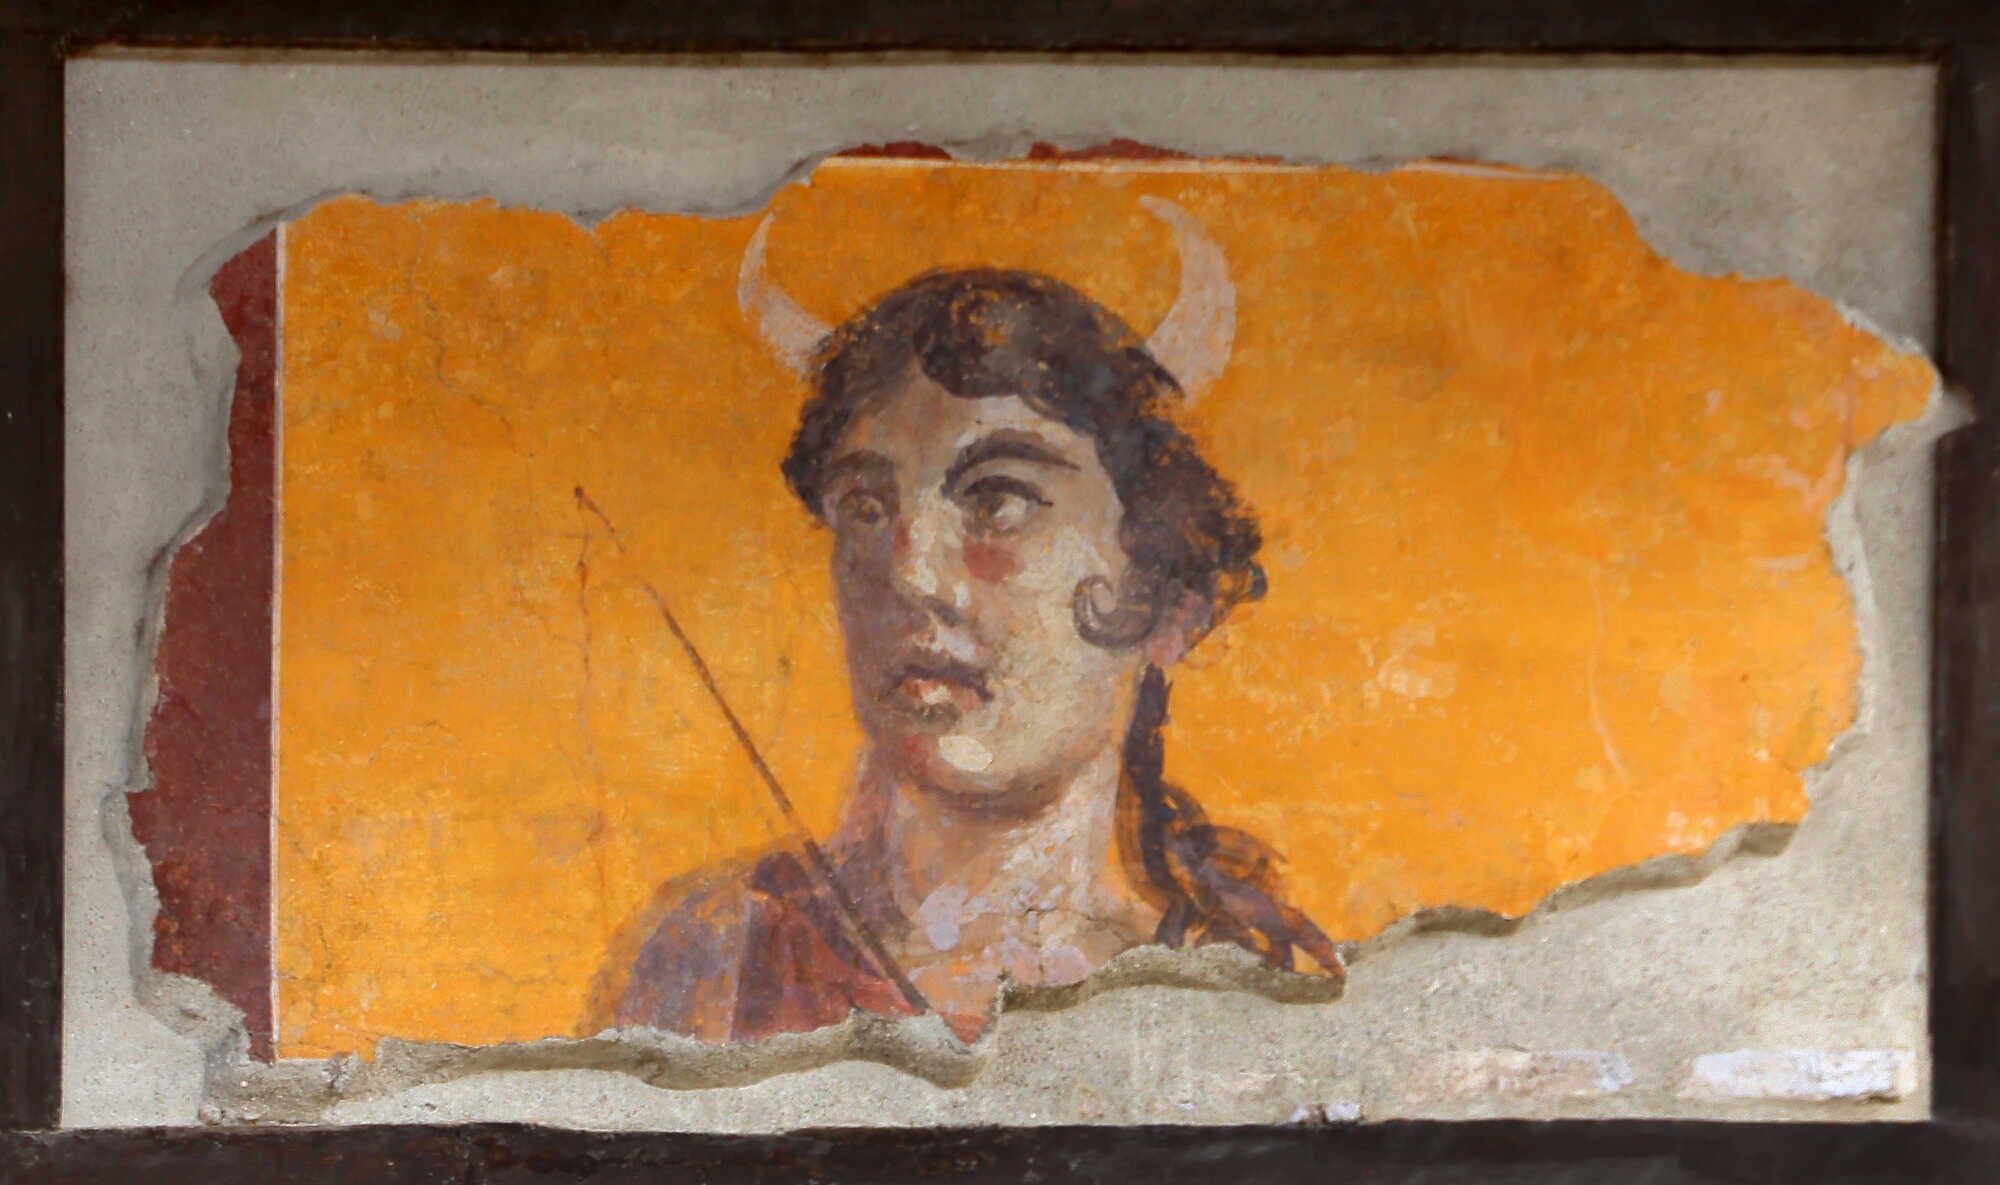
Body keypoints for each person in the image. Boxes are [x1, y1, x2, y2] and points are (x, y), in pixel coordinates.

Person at [610, 255, 1338, 1045]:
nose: (910, 572)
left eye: (998, 500)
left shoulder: (1231, 995)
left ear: (1167, 603)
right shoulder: (719, 958)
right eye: (865, 504)